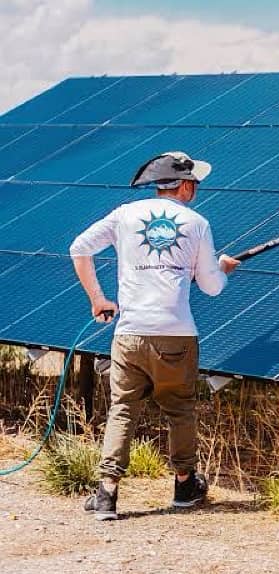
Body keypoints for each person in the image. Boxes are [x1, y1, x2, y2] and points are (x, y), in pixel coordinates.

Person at [70, 151, 240, 521]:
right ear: (183, 185)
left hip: (129, 334)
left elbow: (79, 248)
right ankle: (184, 486)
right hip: (175, 335)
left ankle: (106, 495)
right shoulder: (197, 223)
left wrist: (98, 298)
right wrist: (223, 268)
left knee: (123, 409)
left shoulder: (124, 215)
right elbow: (211, 287)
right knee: (179, 409)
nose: (196, 187)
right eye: (194, 181)